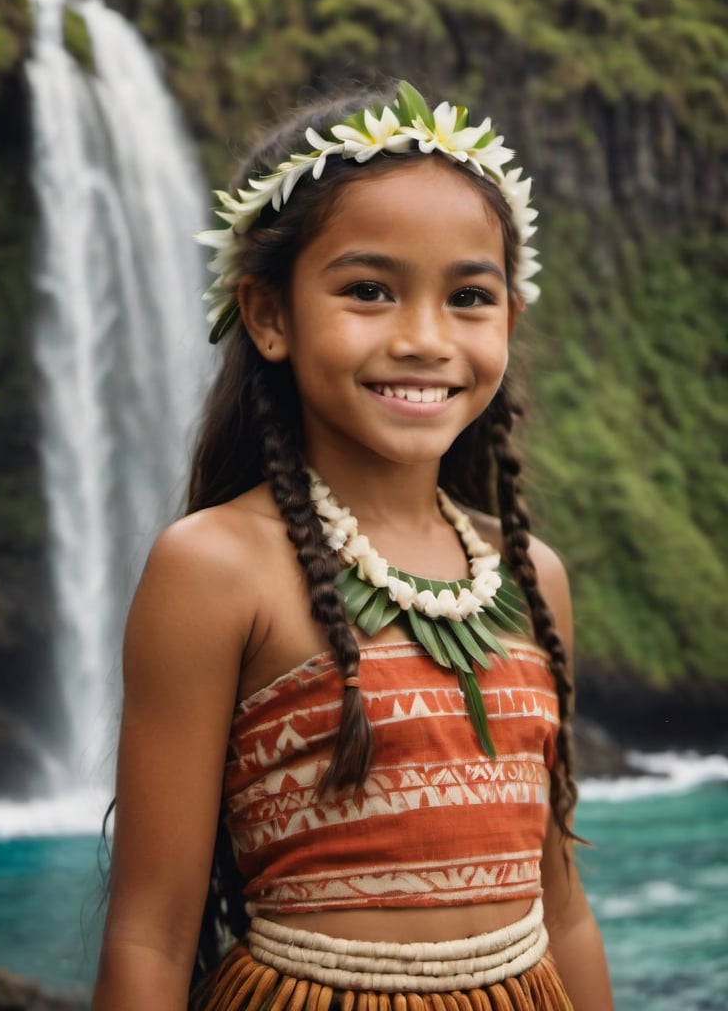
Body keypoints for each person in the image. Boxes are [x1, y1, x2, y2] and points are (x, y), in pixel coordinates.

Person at [92, 80, 614, 1011]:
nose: (423, 338)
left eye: (468, 297)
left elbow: (563, 911)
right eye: (369, 291)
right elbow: (149, 932)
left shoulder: (533, 577)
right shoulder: (215, 568)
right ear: (269, 316)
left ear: (509, 321)